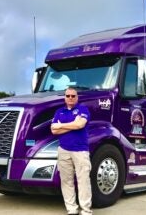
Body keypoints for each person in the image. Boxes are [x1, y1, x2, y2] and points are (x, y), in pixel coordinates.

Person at [51, 87, 92, 215]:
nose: (70, 98)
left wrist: (61, 125)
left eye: (73, 96)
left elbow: (80, 125)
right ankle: (72, 210)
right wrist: (72, 124)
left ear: (77, 97)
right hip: (63, 150)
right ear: (65, 97)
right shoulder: (59, 111)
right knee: (66, 181)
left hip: (80, 151)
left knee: (83, 181)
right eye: (68, 96)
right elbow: (53, 130)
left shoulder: (83, 109)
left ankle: (86, 210)